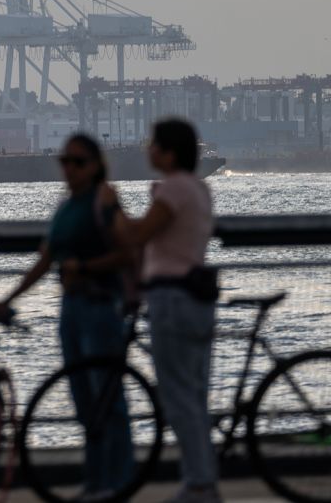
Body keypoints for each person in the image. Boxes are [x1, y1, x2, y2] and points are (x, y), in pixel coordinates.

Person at [0, 134, 135, 499]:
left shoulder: (104, 200)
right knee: (84, 400)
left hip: (102, 306)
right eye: (65, 161)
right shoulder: (65, 207)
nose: (69, 168)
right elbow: (45, 261)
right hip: (71, 310)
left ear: (95, 165)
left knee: (107, 398)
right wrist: (7, 299)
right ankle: (95, 480)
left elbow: (127, 252)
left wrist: (85, 266)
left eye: (78, 161)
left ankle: (118, 482)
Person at [104, 118, 219, 503]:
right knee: (195, 396)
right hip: (197, 299)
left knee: (178, 398)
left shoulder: (174, 189)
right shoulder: (200, 189)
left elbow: (138, 234)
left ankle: (199, 484)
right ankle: (202, 482)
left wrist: (113, 206)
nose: (147, 150)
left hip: (173, 299)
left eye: (153, 144)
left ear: (169, 152)